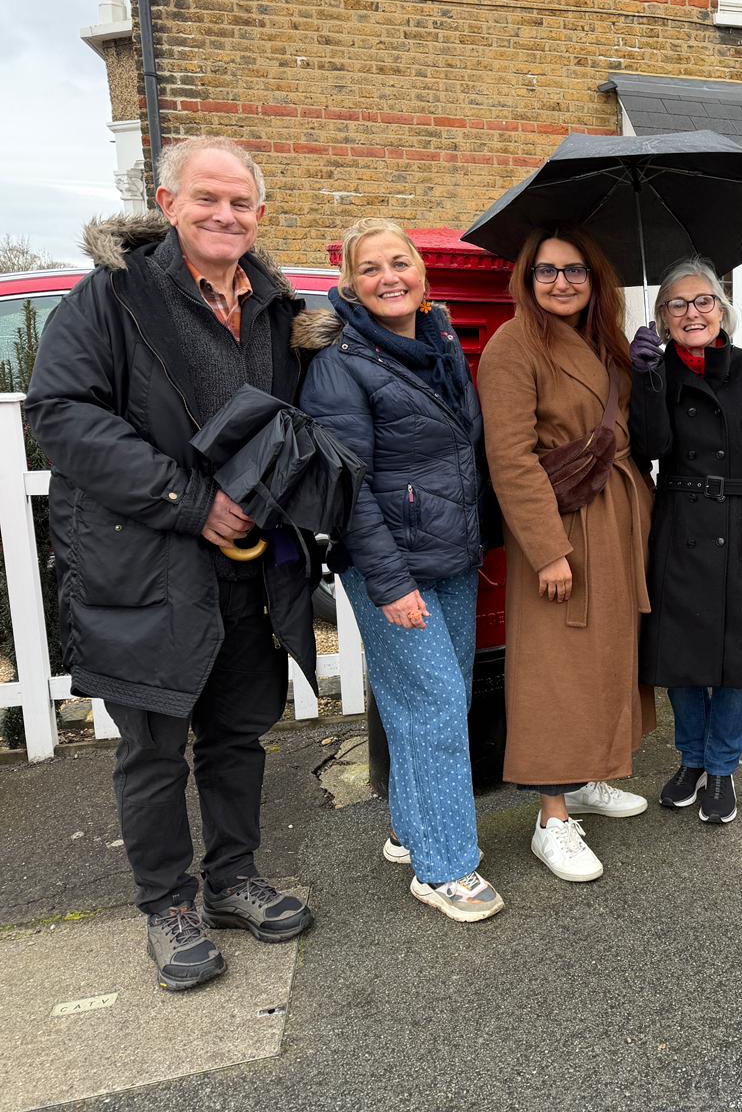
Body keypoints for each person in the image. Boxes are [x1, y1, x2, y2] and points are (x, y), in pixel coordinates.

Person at [25, 137, 316, 991]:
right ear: (168, 202)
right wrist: (191, 504)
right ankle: (169, 906)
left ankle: (233, 879)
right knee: (153, 749)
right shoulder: (112, 297)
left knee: (237, 734)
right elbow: (62, 414)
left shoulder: (275, 306)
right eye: (207, 200)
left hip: (248, 563)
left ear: (259, 215)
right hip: (145, 564)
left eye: (241, 204)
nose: (225, 216)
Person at [296, 218, 502, 923]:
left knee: (435, 705)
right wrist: (390, 584)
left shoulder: (438, 342)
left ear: (423, 273)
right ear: (350, 284)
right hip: (393, 568)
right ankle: (445, 869)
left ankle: (413, 832)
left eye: (401, 262)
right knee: (437, 709)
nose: (390, 277)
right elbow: (345, 489)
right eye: (372, 268)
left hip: (452, 557)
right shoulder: (339, 361)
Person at [476, 225, 654, 883]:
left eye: (573, 270)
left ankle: (591, 776)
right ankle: (553, 817)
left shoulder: (602, 339)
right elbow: (510, 457)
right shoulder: (512, 345)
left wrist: (644, 369)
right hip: (562, 525)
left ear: (594, 276)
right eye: (546, 271)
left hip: (618, 518)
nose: (560, 282)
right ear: (526, 278)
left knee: (609, 653)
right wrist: (548, 550)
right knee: (556, 664)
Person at [627, 257, 742, 824]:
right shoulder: (656, 372)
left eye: (703, 301)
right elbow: (649, 447)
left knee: (734, 663)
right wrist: (648, 380)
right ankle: (692, 760)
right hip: (678, 528)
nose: (691, 312)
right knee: (681, 660)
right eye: (677, 304)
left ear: (722, 310)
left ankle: (723, 769)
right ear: (663, 316)